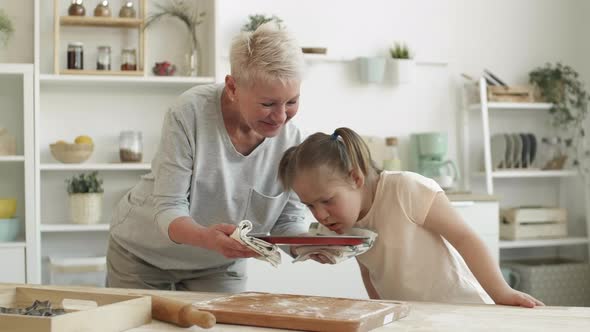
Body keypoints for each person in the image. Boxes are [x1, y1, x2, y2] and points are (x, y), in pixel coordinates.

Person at [107, 23, 309, 293]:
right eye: (268, 104)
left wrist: (307, 245)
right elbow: (169, 207)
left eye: (292, 102)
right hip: (143, 255)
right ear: (233, 88)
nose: (281, 116)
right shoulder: (189, 112)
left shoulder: (292, 142)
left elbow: (286, 219)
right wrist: (207, 237)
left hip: (220, 264)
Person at [278, 127, 544, 307]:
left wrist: (501, 292)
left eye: (326, 201)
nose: (320, 215)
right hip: (415, 319)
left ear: (356, 177)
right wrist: (381, 313)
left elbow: (465, 238)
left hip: (462, 310)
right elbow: (369, 270)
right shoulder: (347, 222)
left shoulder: (406, 189)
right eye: (310, 206)